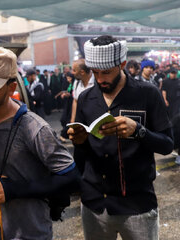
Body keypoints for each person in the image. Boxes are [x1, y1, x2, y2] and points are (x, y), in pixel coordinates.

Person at [68, 35, 173, 240]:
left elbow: (167, 145)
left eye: (106, 72)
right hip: (95, 204)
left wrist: (139, 131)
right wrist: (79, 143)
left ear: (122, 64)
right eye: (95, 73)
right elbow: (82, 156)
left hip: (136, 205)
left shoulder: (147, 94)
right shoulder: (86, 98)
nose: (99, 80)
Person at [0, 47, 79, 240]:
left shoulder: (34, 128)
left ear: (11, 88)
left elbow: (72, 178)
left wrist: (15, 189)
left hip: (30, 234)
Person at [161, 67, 180, 164]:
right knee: (169, 122)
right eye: (172, 73)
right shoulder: (166, 81)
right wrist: (164, 100)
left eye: (175, 73)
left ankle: (175, 144)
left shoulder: (178, 81)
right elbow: (163, 90)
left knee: (176, 122)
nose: (174, 74)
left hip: (177, 104)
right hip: (169, 104)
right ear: (169, 73)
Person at [70, 59, 95, 123]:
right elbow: (75, 101)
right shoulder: (76, 82)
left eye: (74, 70)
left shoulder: (97, 82)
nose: (72, 72)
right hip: (81, 120)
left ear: (82, 72)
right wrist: (73, 120)